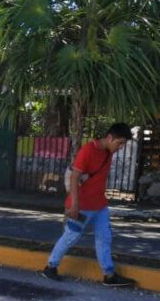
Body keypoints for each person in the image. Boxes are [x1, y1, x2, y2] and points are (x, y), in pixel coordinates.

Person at [41, 123, 135, 287]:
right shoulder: (88, 150)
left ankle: (109, 275)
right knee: (70, 237)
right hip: (82, 206)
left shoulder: (108, 152)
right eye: (119, 143)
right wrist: (74, 205)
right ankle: (50, 268)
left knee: (104, 238)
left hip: (100, 206)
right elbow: (74, 177)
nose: (121, 147)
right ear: (109, 137)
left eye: (123, 144)